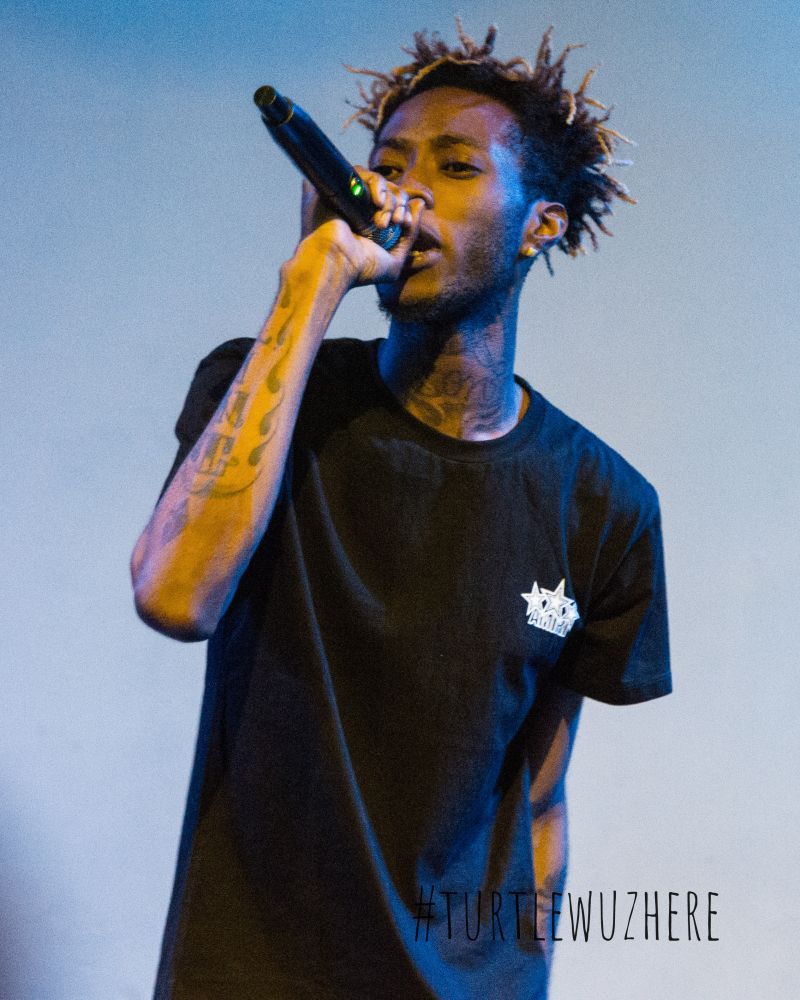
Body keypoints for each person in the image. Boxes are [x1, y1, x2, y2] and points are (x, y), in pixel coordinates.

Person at [131, 21, 671, 1000]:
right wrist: (311, 282)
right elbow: (175, 596)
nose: (406, 192)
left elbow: (540, 800)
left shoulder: (604, 505)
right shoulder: (261, 394)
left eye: (456, 167)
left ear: (540, 225)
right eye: (387, 166)